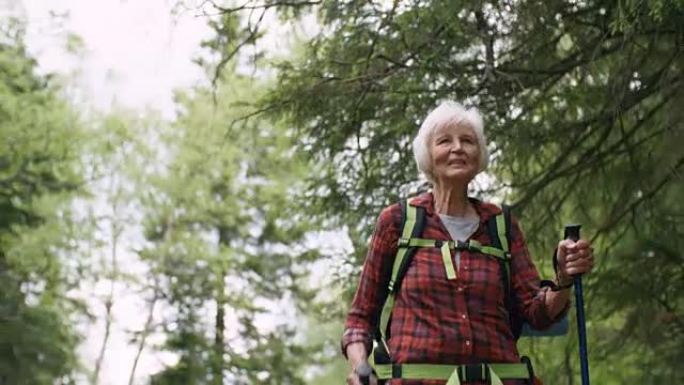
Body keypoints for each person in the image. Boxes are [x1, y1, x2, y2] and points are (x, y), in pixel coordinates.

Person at [342, 101, 595, 385]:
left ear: (479, 155)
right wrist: (360, 367)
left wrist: (563, 278)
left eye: (467, 141)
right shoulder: (398, 222)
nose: (458, 147)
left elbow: (537, 314)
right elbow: (359, 320)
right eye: (444, 141)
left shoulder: (500, 225)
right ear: (428, 155)